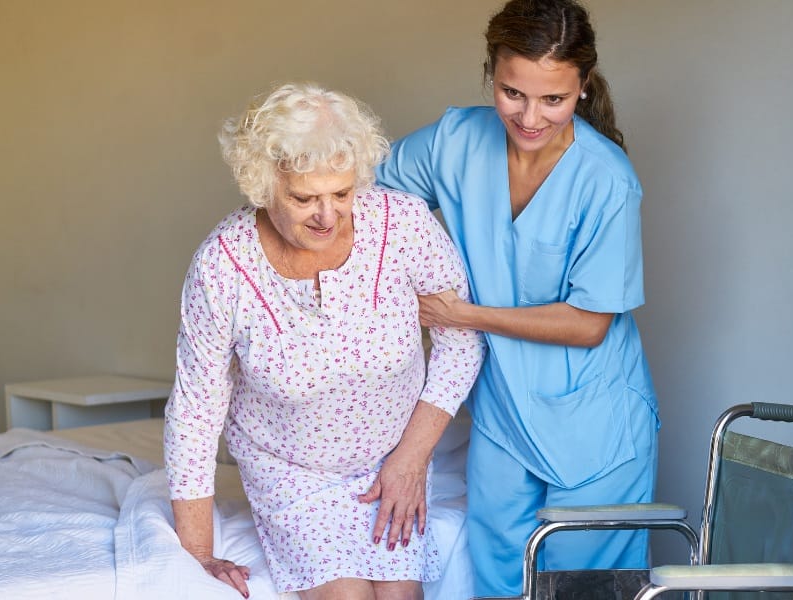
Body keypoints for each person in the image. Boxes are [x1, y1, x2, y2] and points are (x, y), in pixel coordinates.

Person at [374, 0, 659, 595]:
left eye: (553, 99)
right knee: (499, 582)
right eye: (512, 93)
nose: (530, 116)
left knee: (581, 588)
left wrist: (461, 314)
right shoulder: (456, 141)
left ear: (582, 87)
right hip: (503, 414)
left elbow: (588, 325)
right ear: (491, 74)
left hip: (595, 426)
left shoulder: (606, 180)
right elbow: (362, 197)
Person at [164, 82, 484, 600]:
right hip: (291, 469)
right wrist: (199, 552)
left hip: (394, 453)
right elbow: (197, 408)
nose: (328, 216)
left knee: (400, 595)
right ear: (263, 184)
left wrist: (411, 458)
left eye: (342, 193)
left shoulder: (402, 224)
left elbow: (460, 340)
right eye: (304, 198)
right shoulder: (223, 263)